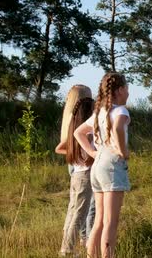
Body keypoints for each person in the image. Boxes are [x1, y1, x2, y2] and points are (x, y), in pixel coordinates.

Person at [74, 73, 130, 258]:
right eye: (127, 89)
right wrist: (123, 151)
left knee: (99, 220)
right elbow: (118, 128)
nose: (128, 93)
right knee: (110, 222)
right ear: (120, 90)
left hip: (98, 166)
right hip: (112, 165)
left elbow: (78, 133)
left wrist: (93, 153)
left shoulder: (100, 113)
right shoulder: (120, 111)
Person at [56, 96, 95, 256]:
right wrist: (90, 156)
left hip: (76, 176)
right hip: (85, 175)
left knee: (72, 211)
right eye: (94, 107)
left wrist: (75, 154)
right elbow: (92, 154)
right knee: (79, 214)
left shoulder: (74, 129)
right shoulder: (88, 131)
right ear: (88, 111)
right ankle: (67, 250)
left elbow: (58, 148)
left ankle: (66, 247)